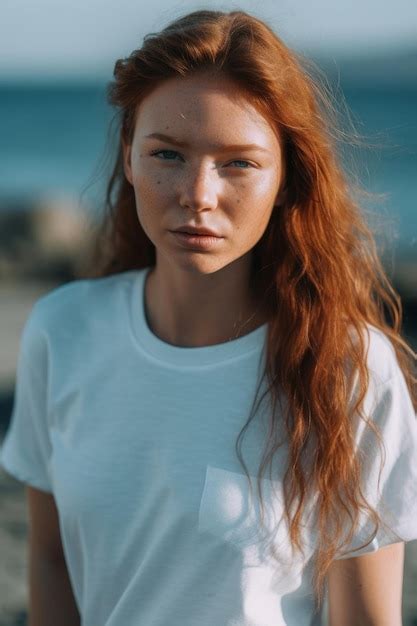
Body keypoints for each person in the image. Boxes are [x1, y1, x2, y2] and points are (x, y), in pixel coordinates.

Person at [1, 8, 416, 626]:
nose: (198, 193)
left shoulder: (349, 368)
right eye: (168, 154)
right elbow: (53, 560)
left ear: (285, 178)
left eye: (239, 163)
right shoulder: (63, 332)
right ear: (130, 156)